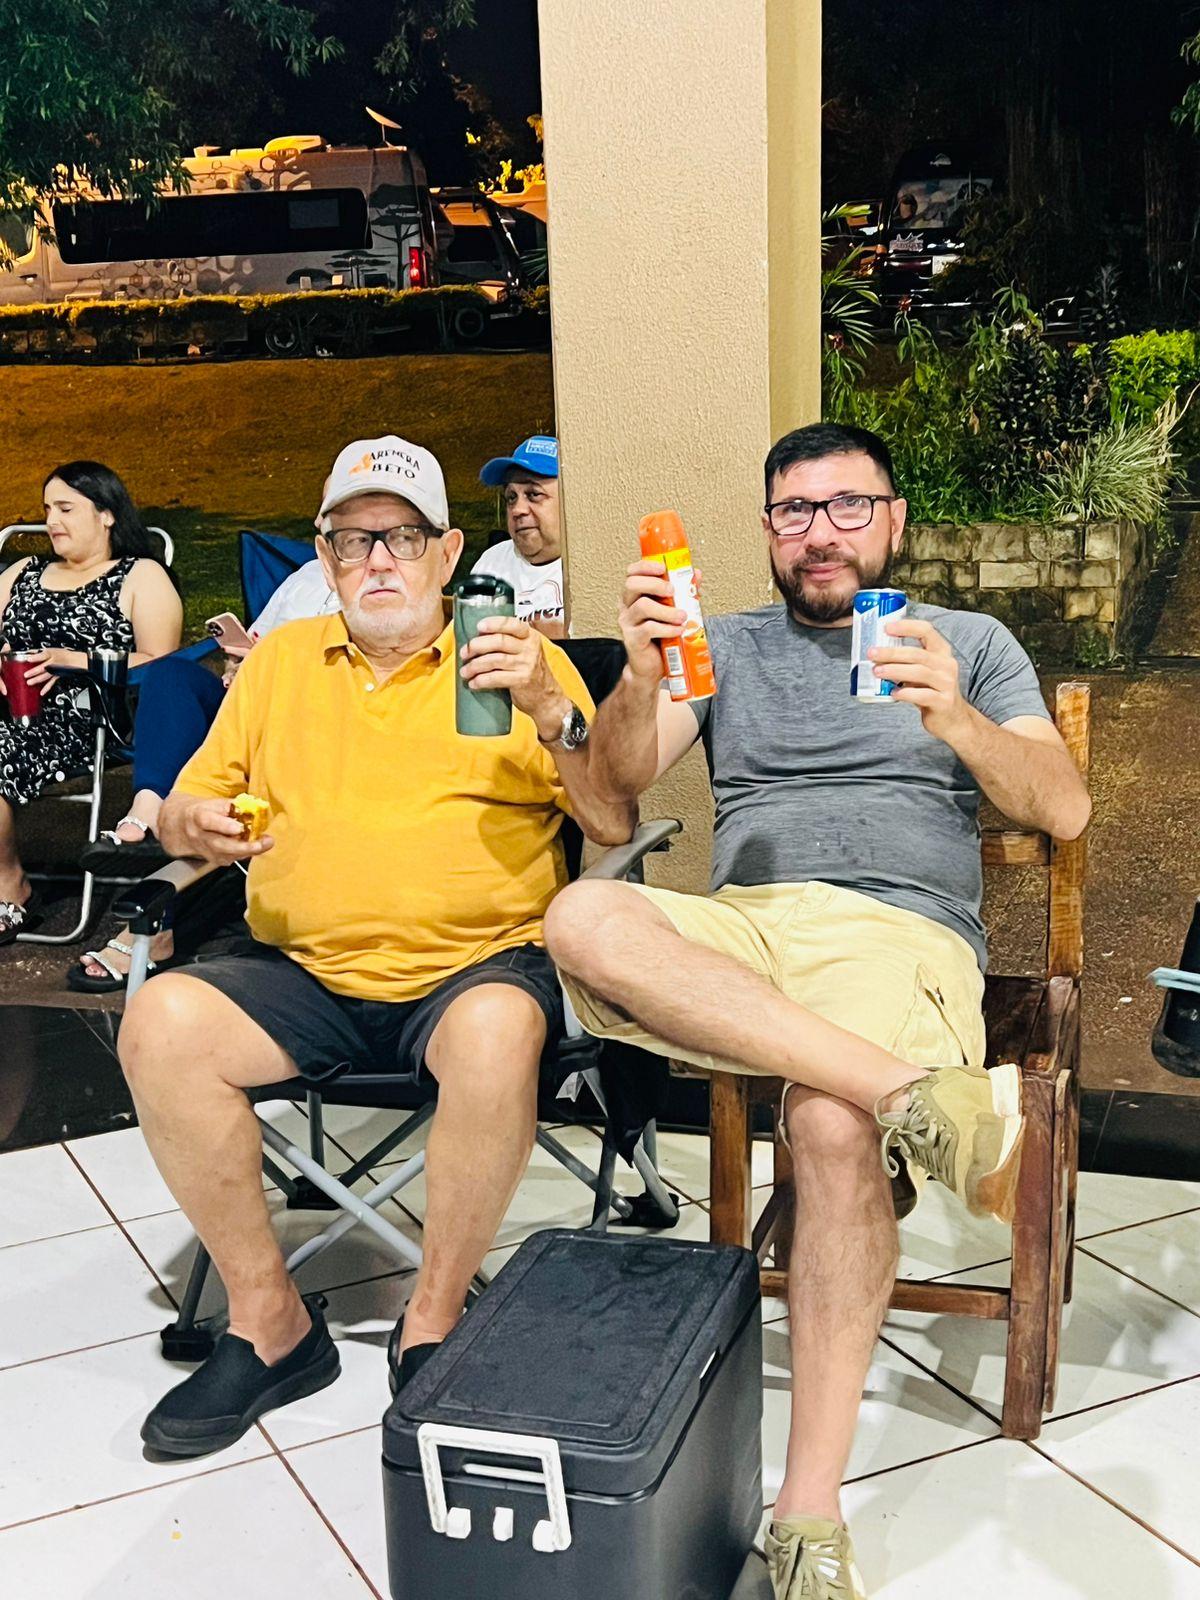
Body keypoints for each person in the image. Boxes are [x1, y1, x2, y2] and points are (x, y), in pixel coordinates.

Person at [542, 422, 1092, 1600]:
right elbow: (620, 786)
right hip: (747, 928)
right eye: (795, 511)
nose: (821, 532)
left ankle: (807, 1509)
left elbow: (1065, 809)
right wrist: (639, 669)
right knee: (582, 915)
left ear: (894, 519)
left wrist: (957, 718)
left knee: (831, 1128)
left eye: (848, 506)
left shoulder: (968, 643)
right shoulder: (723, 644)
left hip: (896, 931)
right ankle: (918, 1098)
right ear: (767, 531)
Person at [117, 434, 634, 1458]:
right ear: (325, 556)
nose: (379, 562)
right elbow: (181, 810)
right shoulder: (280, 667)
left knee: (494, 1033)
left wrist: (551, 708)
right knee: (160, 1021)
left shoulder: (512, 662)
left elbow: (612, 822)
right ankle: (270, 1324)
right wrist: (192, 826)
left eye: (402, 537)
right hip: (298, 971)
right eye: (353, 542)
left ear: (448, 553)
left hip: (476, 967)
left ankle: (432, 1313)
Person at [69, 551, 338, 991]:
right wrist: (237, 666)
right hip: (246, 709)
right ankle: (150, 809)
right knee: (171, 674)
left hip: (306, 728)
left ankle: (154, 927)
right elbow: (249, 645)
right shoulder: (303, 577)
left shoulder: (383, 593)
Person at [0, 462, 182, 943]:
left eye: (65, 509)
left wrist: (73, 660)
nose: (51, 521)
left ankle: (11, 887)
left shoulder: (139, 576)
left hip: (90, 717)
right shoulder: (23, 571)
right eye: (47, 509)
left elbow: (163, 666)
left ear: (106, 514)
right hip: (11, 707)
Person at [473, 434, 566, 636]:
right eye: (511, 497)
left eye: (534, 494)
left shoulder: (593, 568)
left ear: (569, 500)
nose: (517, 510)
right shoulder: (492, 562)